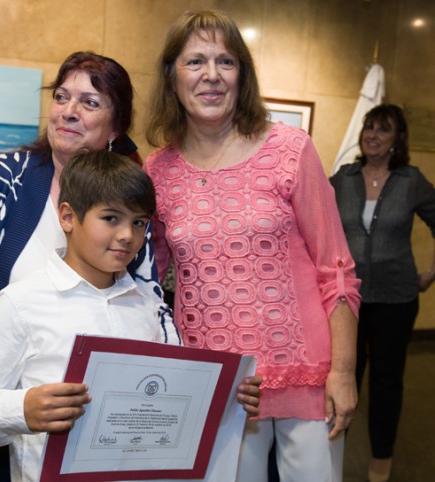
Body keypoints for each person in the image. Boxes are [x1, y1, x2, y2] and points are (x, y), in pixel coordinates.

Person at [0, 51, 179, 482]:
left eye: (89, 102)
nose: (68, 111)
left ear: (115, 127)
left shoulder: (124, 205)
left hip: (60, 429)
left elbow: (150, 310)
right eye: (62, 96)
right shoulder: (6, 177)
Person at [144, 10, 362, 482]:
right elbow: (143, 279)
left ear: (242, 73)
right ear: (171, 75)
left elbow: (337, 268)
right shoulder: (157, 172)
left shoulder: (290, 148)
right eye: (195, 61)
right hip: (218, 380)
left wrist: (343, 373)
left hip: (307, 374)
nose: (211, 76)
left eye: (226, 61)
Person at [0, 150, 180, 481]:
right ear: (67, 217)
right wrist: (22, 409)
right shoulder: (24, 302)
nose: (127, 235)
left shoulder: (144, 305)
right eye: (111, 218)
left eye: (138, 222)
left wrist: (228, 397)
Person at [330, 104, 435, 482]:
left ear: (397, 139)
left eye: (383, 129)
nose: (372, 134)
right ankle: (334, 454)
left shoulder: (411, 180)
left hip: (396, 299)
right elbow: (315, 225)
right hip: (347, 301)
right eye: (368, 127)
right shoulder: (343, 177)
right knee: (344, 377)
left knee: (386, 382)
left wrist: (432, 273)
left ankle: (380, 465)